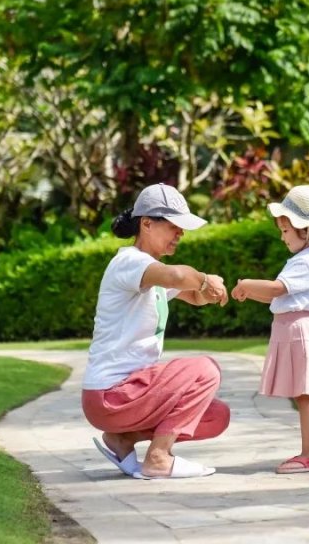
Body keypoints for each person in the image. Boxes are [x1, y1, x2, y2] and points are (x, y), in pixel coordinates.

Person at [82, 183, 231, 480]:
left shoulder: (151, 271)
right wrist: (203, 279)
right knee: (205, 369)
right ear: (147, 224)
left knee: (216, 416)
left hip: (130, 394)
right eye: (174, 225)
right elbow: (178, 276)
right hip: (111, 394)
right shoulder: (129, 263)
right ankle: (159, 459)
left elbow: (192, 294)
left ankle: (122, 438)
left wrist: (209, 292)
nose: (181, 233)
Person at [230, 184, 309, 474]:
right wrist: (250, 292)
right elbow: (278, 294)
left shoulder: (307, 261)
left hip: (299, 333)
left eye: (286, 230)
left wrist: (248, 284)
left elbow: (278, 288)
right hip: (292, 331)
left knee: (305, 395)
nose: (282, 236)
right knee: (302, 395)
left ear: (307, 230)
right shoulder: (304, 259)